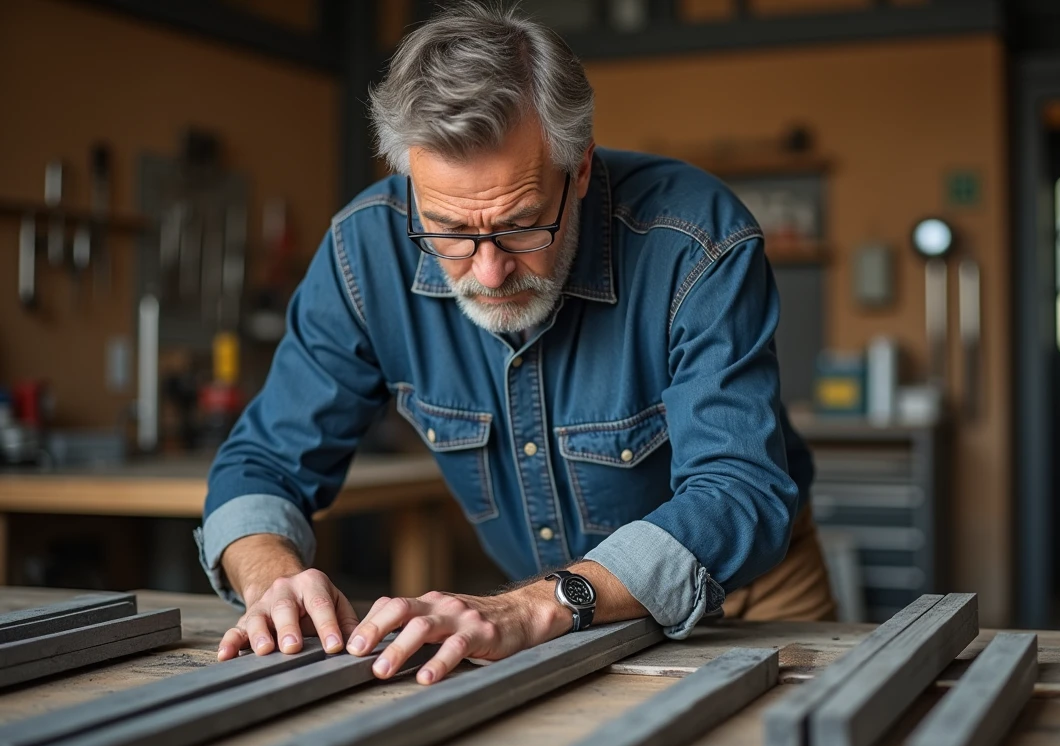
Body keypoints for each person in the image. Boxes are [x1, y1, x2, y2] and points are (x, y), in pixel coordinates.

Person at [196, 2, 835, 686]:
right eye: (447, 231)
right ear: (409, 179)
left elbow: (737, 487)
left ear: (580, 170)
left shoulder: (696, 241)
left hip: (750, 600)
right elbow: (263, 462)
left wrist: (542, 605)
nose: (490, 272)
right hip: (544, 619)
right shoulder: (363, 252)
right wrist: (272, 578)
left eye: (523, 226)